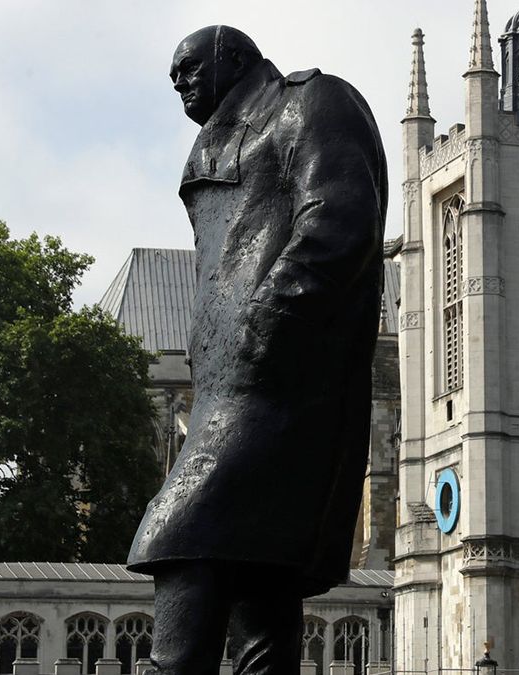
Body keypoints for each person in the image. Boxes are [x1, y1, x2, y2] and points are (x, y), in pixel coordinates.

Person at [127, 25, 388, 673]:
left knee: (182, 543)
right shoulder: (213, 141)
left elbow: (340, 219)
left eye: (189, 67)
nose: (180, 82)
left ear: (233, 59)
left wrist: (267, 318)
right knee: (259, 588)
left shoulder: (310, 102)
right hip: (224, 386)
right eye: (172, 76)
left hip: (282, 387)